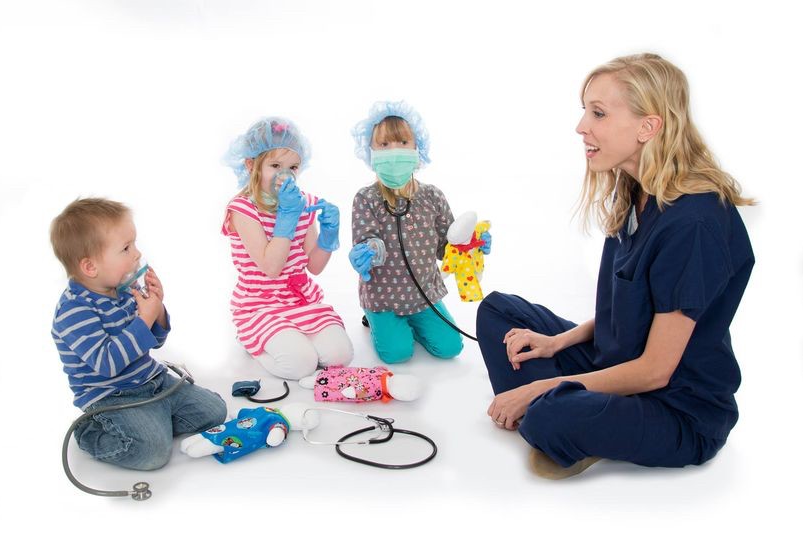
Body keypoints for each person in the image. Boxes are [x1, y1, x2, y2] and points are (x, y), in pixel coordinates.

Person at [477, 53, 755, 479]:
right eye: (585, 111)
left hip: (675, 406)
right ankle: (573, 417)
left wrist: (539, 387)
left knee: (548, 415)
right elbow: (626, 313)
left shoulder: (694, 223)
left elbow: (656, 369)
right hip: (614, 363)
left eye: (599, 113)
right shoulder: (636, 192)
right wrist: (556, 343)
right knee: (497, 312)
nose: (581, 127)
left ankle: (561, 418)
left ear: (649, 126)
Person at [50, 198, 227, 471]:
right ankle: (92, 431)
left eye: (133, 244)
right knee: (153, 453)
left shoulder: (122, 289)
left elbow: (153, 342)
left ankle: (154, 418)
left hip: (151, 381)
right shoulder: (74, 310)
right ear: (90, 267)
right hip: (112, 396)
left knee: (215, 412)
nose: (136, 254)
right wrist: (144, 318)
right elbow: (108, 364)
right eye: (125, 248)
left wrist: (156, 310)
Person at [350, 101, 490, 364]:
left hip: (423, 294)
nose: (394, 151)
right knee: (397, 354)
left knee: (450, 347)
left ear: (417, 148)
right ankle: (374, 318)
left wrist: (471, 244)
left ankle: (409, 324)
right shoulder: (366, 198)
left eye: (403, 142)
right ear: (371, 152)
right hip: (383, 296)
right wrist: (367, 251)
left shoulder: (432, 196)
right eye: (384, 145)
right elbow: (366, 239)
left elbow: (446, 248)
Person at [222, 116, 353, 379]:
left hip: (300, 299)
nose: (285, 174)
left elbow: (314, 266)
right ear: (251, 165)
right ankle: (253, 342)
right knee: (300, 365)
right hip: (260, 304)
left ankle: (294, 339)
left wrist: (329, 235)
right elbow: (271, 267)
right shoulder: (243, 210)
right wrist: (287, 217)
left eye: (293, 167)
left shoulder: (303, 202)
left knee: (341, 356)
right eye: (275, 165)